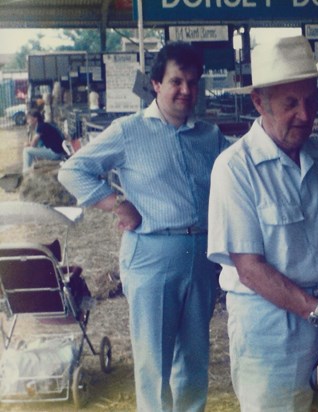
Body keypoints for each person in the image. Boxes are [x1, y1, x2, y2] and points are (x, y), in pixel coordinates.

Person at [207, 35, 318, 411]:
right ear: (259, 101)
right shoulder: (234, 167)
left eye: (310, 101)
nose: (305, 116)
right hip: (273, 334)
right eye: (291, 103)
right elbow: (250, 269)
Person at [58, 42, 229, 412]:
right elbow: (72, 170)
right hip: (151, 256)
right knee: (154, 360)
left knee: (195, 357)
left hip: (201, 257)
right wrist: (116, 203)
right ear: (155, 84)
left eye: (193, 82)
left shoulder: (210, 137)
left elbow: (237, 177)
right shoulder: (127, 131)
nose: (186, 90)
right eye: (176, 81)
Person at [23, 109, 67, 173]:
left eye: (29, 119)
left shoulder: (41, 126)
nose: (27, 121)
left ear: (35, 119)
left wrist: (27, 144)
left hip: (55, 153)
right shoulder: (43, 125)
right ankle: (30, 168)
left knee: (26, 150)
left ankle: (25, 171)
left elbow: (33, 144)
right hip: (56, 151)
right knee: (32, 149)